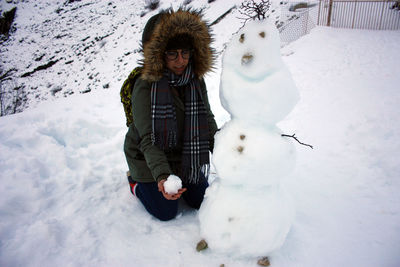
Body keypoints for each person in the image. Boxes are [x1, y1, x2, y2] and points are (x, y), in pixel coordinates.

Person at [123, 8, 218, 221]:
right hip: (146, 155)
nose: (180, 61)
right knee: (166, 212)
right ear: (158, 53)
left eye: (185, 53)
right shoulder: (145, 87)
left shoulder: (195, 80)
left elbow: (207, 119)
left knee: (202, 200)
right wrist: (163, 176)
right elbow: (148, 140)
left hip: (183, 154)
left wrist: (227, 153)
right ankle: (135, 182)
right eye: (172, 53)